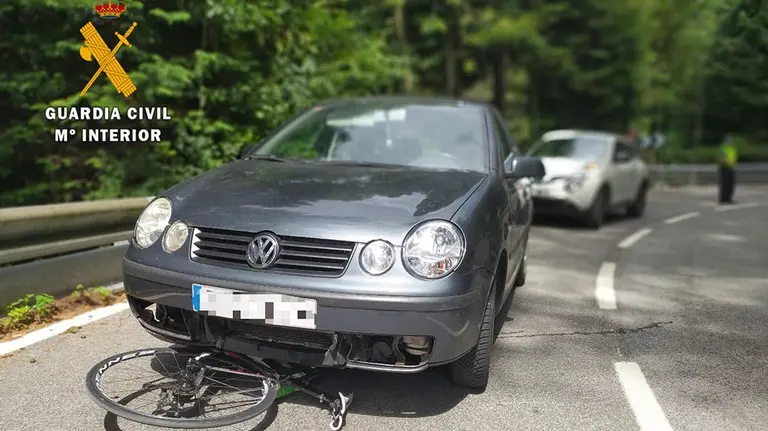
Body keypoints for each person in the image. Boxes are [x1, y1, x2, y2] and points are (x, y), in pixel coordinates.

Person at [717, 135, 738, 204]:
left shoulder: (732, 148)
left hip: (731, 168)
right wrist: (727, 163)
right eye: (728, 140)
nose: (730, 142)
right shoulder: (723, 148)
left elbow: (733, 158)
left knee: (731, 184)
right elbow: (721, 158)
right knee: (724, 184)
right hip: (725, 168)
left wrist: (733, 164)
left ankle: (729, 198)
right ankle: (723, 199)